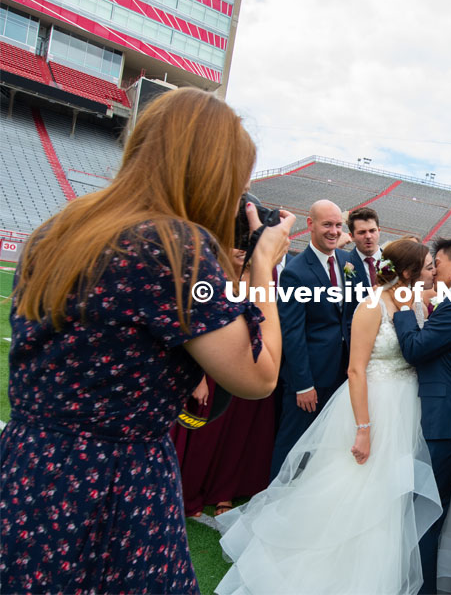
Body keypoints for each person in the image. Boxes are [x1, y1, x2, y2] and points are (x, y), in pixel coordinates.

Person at [0, 88, 293, 593]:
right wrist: (263, 265)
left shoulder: (61, 227)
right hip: (113, 482)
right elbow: (258, 375)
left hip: (29, 465)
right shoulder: (175, 244)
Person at [216, 240, 442, 594]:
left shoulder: (418, 303)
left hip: (408, 406)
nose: (434, 271)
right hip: (374, 405)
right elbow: (355, 370)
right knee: (355, 490)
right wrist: (363, 429)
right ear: (410, 271)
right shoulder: (370, 306)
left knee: (391, 495)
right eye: (429, 266)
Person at [393, 237, 451, 594]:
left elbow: (415, 349)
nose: (435, 270)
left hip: (444, 419)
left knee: (424, 511)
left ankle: (420, 587)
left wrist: (401, 309)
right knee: (431, 506)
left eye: (439, 263)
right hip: (450, 412)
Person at [169, 248, 277, 518]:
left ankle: (224, 492)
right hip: (213, 368)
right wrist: (199, 377)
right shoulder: (207, 274)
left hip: (253, 366)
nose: (241, 248)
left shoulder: (266, 275)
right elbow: (191, 325)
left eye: (247, 241)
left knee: (238, 436)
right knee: (205, 436)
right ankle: (187, 492)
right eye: (235, 240)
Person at [271, 199, 364, 478]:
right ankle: (277, 500)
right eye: (327, 224)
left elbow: (355, 314)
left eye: (338, 225)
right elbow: (292, 332)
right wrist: (302, 385)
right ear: (310, 225)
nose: (334, 231)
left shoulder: (349, 261)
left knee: (327, 445)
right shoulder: (294, 272)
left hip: (344, 375)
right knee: (294, 443)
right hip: (310, 378)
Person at [347, 207, 382, 287]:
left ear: (379, 231)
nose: (368, 236)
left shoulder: (395, 261)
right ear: (351, 236)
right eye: (362, 232)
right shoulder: (344, 265)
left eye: (372, 231)